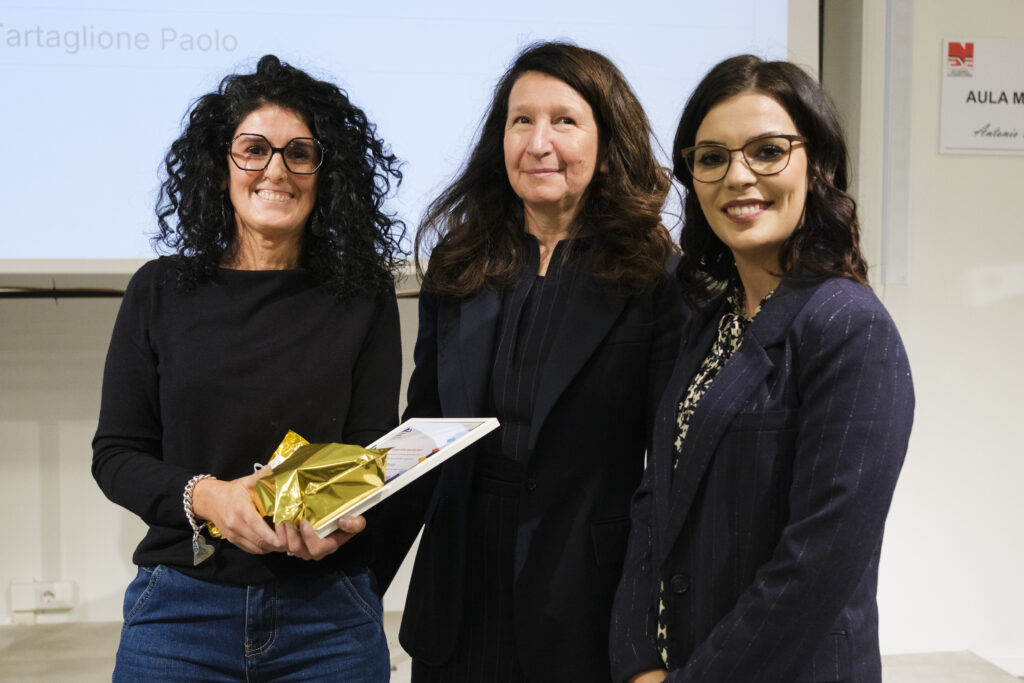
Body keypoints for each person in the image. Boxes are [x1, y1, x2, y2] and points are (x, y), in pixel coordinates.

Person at [92, 54, 404, 682]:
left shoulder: (362, 295)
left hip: (328, 616)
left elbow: (371, 450)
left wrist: (337, 521)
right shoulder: (159, 290)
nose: (276, 170)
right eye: (254, 150)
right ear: (221, 166)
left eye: (299, 153)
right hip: (180, 611)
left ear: (325, 174)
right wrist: (210, 497)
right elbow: (117, 455)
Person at [610, 55, 915, 683]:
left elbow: (819, 561)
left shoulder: (848, 326)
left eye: (768, 152)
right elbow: (654, 503)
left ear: (817, 165)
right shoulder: (710, 323)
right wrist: (637, 659)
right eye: (712, 157)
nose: (738, 176)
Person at [393, 41, 686, 682]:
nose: (537, 142)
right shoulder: (458, 265)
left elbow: (669, 471)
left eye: (565, 121)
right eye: (521, 120)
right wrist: (345, 532)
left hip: (586, 601)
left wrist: (653, 631)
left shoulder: (655, 275)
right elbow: (425, 430)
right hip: (459, 596)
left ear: (607, 143)